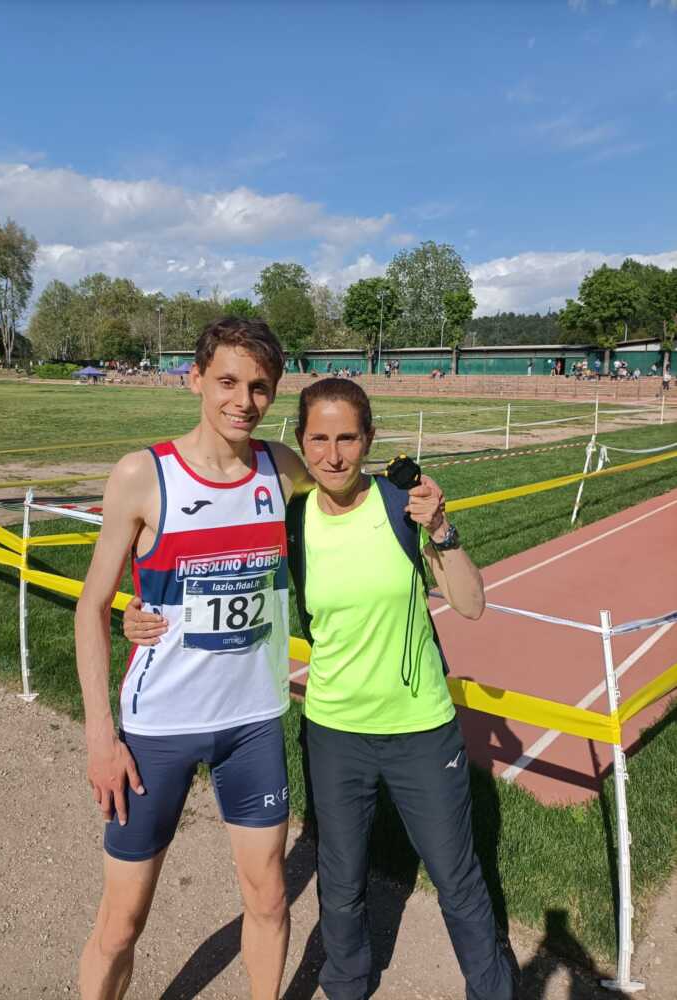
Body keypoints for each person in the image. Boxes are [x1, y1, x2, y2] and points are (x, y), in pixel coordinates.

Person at [125, 379, 516, 1000]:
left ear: (369, 440)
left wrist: (441, 527)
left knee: (457, 876)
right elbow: (220, 570)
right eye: (319, 439)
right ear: (300, 442)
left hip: (419, 727)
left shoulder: (399, 505)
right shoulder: (294, 518)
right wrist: (144, 612)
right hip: (334, 730)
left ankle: (492, 989)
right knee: (340, 880)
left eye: (347, 438)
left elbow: (471, 605)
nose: (333, 455)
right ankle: (346, 986)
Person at [74, 316, 313, 1000]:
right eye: (229, 381)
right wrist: (100, 735)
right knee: (122, 923)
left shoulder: (282, 468)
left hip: (254, 724)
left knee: (268, 898)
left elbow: (349, 502)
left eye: (261, 387)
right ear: (196, 380)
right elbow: (93, 608)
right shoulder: (142, 475)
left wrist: (426, 514)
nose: (244, 400)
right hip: (159, 729)